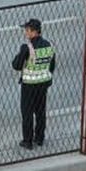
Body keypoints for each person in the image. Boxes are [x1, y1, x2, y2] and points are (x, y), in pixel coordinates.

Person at [12, 17, 55, 149]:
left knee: (27, 113)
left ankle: (28, 141)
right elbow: (52, 65)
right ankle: (40, 138)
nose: (25, 33)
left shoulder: (27, 47)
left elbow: (16, 65)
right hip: (43, 84)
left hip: (29, 85)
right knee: (40, 112)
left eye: (27, 30)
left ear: (34, 32)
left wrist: (21, 53)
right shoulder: (49, 45)